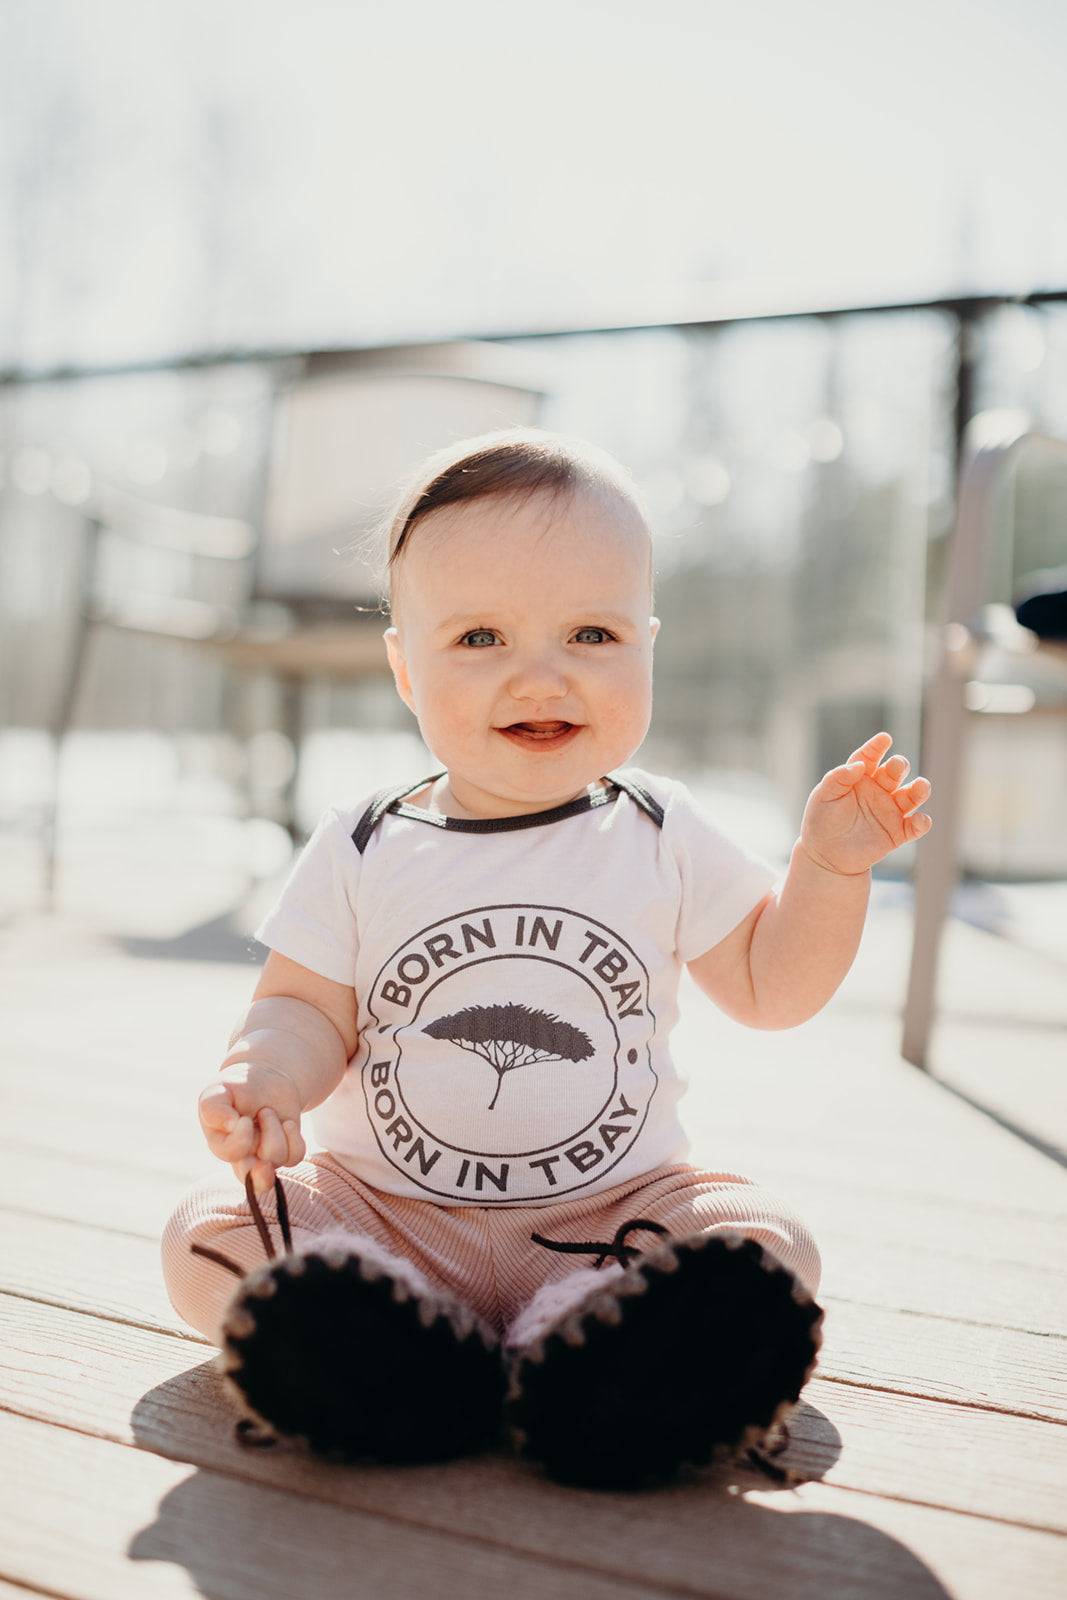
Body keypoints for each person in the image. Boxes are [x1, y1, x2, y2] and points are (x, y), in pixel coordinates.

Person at [162, 428, 932, 1487]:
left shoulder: (661, 827)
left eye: (590, 632)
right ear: (402, 665)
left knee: (765, 1238)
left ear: (646, 645)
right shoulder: (365, 838)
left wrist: (829, 870)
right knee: (209, 1232)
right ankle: (385, 1355)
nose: (539, 673)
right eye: (478, 637)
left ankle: (602, 1356)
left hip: (610, 1215)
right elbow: (299, 1008)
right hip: (384, 1221)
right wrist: (264, 1076)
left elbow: (768, 987)